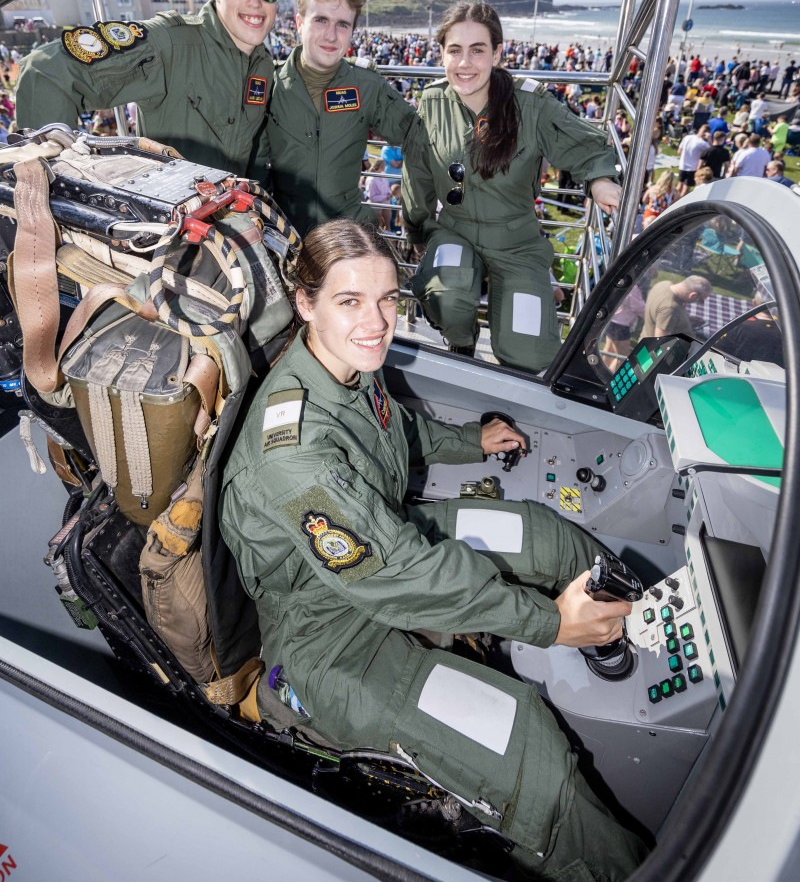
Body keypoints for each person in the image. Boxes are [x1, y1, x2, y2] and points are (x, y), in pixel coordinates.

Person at [220, 221, 646, 881]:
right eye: (351, 301)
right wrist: (549, 624)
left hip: (378, 549)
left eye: (389, 298)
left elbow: (396, 429)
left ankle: (640, 628)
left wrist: (471, 442)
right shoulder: (296, 452)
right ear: (306, 303)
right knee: (525, 744)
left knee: (543, 533)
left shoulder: (348, 366)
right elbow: (402, 571)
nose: (378, 321)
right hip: (325, 642)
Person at [402, 2, 620, 371]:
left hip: (517, 242)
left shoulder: (531, 104)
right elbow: (418, 173)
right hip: (456, 231)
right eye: (454, 50)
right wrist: (420, 229)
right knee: (447, 296)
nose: (465, 63)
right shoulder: (432, 102)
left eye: (477, 50)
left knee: (528, 350)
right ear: (441, 54)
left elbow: (582, 142)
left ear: (497, 53)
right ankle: (461, 342)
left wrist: (599, 179)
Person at [16, 0, 285, 175]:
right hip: (170, 223)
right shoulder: (169, 43)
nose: (255, 2)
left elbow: (255, 153)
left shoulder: (262, 64)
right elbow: (46, 69)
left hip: (230, 219)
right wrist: (56, 184)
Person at [261, 0, 419, 236]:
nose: (331, 35)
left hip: (348, 235)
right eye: (321, 20)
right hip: (283, 233)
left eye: (342, 24)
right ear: (300, 23)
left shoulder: (367, 86)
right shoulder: (267, 85)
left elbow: (421, 140)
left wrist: (417, 211)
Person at [641, 275, 711, 339]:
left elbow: (659, 316)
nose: (699, 303)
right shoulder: (671, 308)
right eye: (701, 300)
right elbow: (659, 343)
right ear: (693, 295)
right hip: (648, 351)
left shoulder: (664, 284)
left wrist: (685, 319)